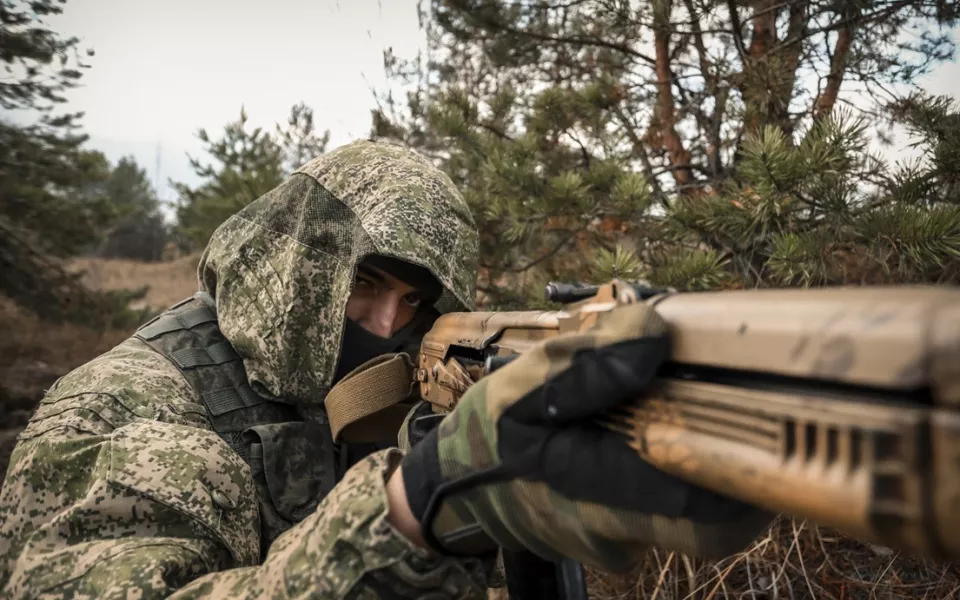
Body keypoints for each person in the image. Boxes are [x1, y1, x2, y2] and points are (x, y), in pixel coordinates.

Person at [0, 140, 772, 599]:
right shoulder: (128, 416)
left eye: (414, 301)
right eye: (364, 283)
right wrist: (412, 507)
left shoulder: (401, 372)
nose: (385, 325)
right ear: (296, 265)